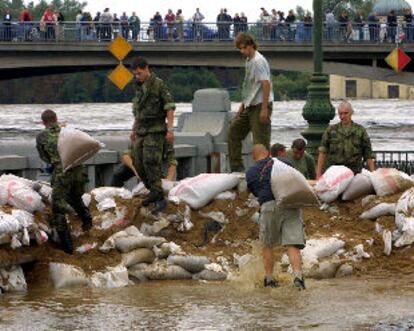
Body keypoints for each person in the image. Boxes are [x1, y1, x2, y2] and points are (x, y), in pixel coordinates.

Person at [246, 144, 306, 290]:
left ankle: (269, 279)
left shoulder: (251, 171)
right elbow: (295, 180)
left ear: (254, 156)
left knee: (268, 244)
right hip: (289, 204)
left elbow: (256, 192)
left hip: (268, 206)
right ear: (267, 153)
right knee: (292, 244)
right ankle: (298, 277)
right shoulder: (284, 163)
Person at [36, 110, 92, 254]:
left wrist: (55, 162)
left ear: (43, 122)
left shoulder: (42, 136)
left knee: (57, 207)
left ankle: (67, 247)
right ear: (56, 119)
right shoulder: (68, 131)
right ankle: (86, 219)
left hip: (62, 173)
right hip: (79, 170)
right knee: (75, 197)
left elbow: (44, 157)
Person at [130, 57, 175, 214]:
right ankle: (154, 191)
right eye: (135, 74)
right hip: (141, 129)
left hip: (156, 129)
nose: (137, 76)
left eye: (139, 73)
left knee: (150, 161)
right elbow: (138, 111)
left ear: (147, 68)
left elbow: (169, 107)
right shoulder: (138, 87)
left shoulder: (158, 85)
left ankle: (160, 198)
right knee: (137, 162)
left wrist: (170, 129)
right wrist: (134, 129)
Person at [228, 32, 273, 172]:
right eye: (239, 49)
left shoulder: (259, 61)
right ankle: (237, 169)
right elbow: (249, 87)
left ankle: (263, 173)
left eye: (243, 48)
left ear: (251, 45)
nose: (242, 52)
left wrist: (265, 109)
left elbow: (266, 84)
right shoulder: (249, 60)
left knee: (260, 142)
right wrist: (242, 107)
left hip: (260, 105)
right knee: (234, 132)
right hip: (250, 106)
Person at [316, 101, 375, 179]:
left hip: (355, 172)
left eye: (346, 113)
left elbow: (368, 155)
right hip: (335, 172)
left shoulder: (360, 131)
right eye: (340, 114)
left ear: (351, 113)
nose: (343, 116)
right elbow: (322, 152)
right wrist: (318, 174)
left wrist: (373, 175)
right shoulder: (331, 130)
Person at [111, 140, 177, 187]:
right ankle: (115, 196)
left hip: (154, 166)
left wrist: (168, 180)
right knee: (118, 174)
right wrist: (135, 171)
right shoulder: (140, 138)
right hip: (138, 164)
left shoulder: (165, 141)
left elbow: (173, 162)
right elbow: (126, 155)